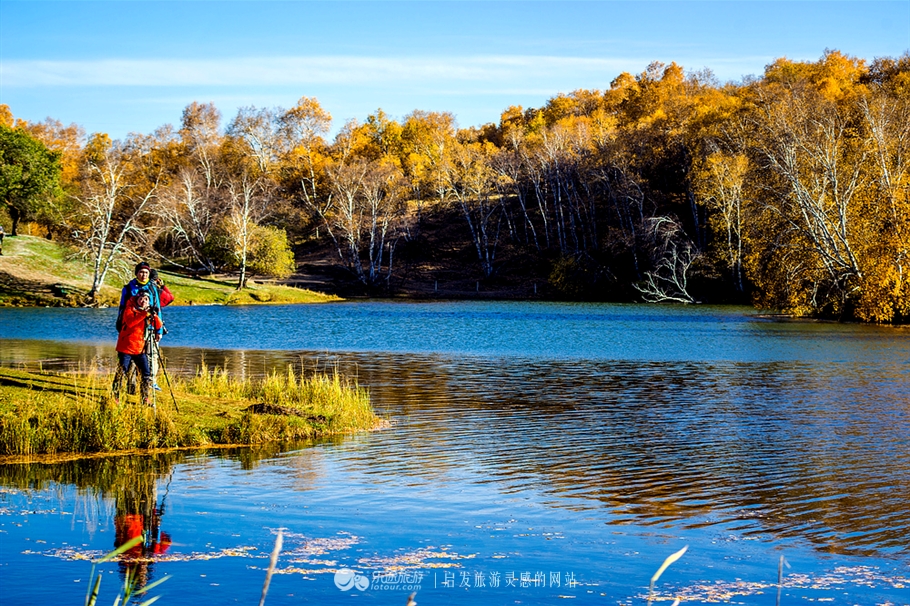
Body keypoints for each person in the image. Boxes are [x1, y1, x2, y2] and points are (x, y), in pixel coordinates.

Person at [112, 292, 162, 405]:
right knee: (121, 372)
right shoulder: (129, 309)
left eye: (146, 299)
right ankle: (115, 396)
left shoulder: (146, 312)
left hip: (140, 348)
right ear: (137, 299)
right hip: (126, 348)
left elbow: (158, 326)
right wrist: (144, 314)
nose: (143, 301)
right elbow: (130, 323)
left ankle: (145, 398)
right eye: (141, 299)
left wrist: (154, 315)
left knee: (146, 373)